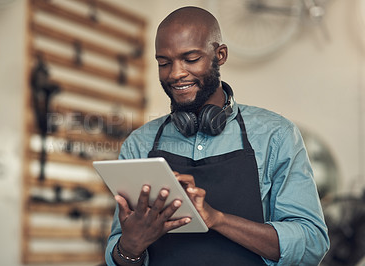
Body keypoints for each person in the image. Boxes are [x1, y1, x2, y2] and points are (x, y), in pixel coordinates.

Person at [104, 6, 329, 266]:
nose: (176, 73)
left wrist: (216, 219)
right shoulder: (139, 144)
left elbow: (312, 243)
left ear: (220, 55)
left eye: (190, 59)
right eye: (164, 63)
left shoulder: (275, 135)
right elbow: (120, 255)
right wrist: (131, 246)